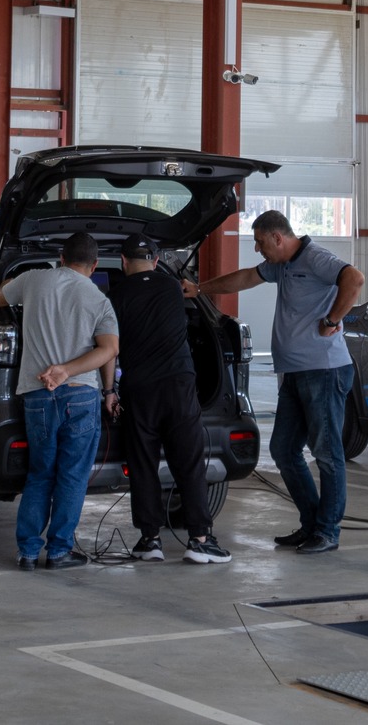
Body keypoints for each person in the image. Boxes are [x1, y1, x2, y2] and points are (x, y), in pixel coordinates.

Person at [190, 209, 364, 554]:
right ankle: (312, 524)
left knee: (327, 453)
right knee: (283, 450)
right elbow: (244, 278)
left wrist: (332, 319)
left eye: (259, 242)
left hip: (323, 370)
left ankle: (327, 531)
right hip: (295, 373)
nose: (258, 249)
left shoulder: (315, 258)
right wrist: (198, 290)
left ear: (277, 237)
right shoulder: (281, 265)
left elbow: (354, 278)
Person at [0, 231, 119, 570]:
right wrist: (99, 386)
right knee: (72, 475)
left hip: (37, 394)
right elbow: (109, 350)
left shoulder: (33, 280)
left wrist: (8, 281)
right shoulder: (99, 299)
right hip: (81, 395)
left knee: (40, 473)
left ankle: (28, 552)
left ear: (61, 258)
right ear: (94, 265)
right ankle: (59, 551)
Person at [107, 233, 231, 565]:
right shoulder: (173, 288)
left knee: (142, 463)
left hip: (139, 388)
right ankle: (200, 540)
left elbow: (109, 347)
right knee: (188, 462)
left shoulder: (115, 295)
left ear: (123, 261)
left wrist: (109, 391)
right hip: (178, 385)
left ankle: (150, 540)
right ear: (157, 260)